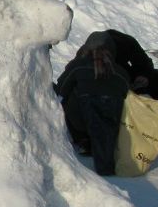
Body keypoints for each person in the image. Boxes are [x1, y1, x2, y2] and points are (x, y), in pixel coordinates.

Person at [54, 31, 130, 176]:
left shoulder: (78, 66)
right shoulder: (121, 73)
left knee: (69, 94)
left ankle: (83, 140)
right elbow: (128, 96)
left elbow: (61, 91)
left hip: (80, 122)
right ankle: (100, 148)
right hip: (109, 126)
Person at [105, 28, 158, 104]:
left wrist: (144, 75)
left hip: (131, 85)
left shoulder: (121, 41)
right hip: (112, 96)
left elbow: (144, 61)